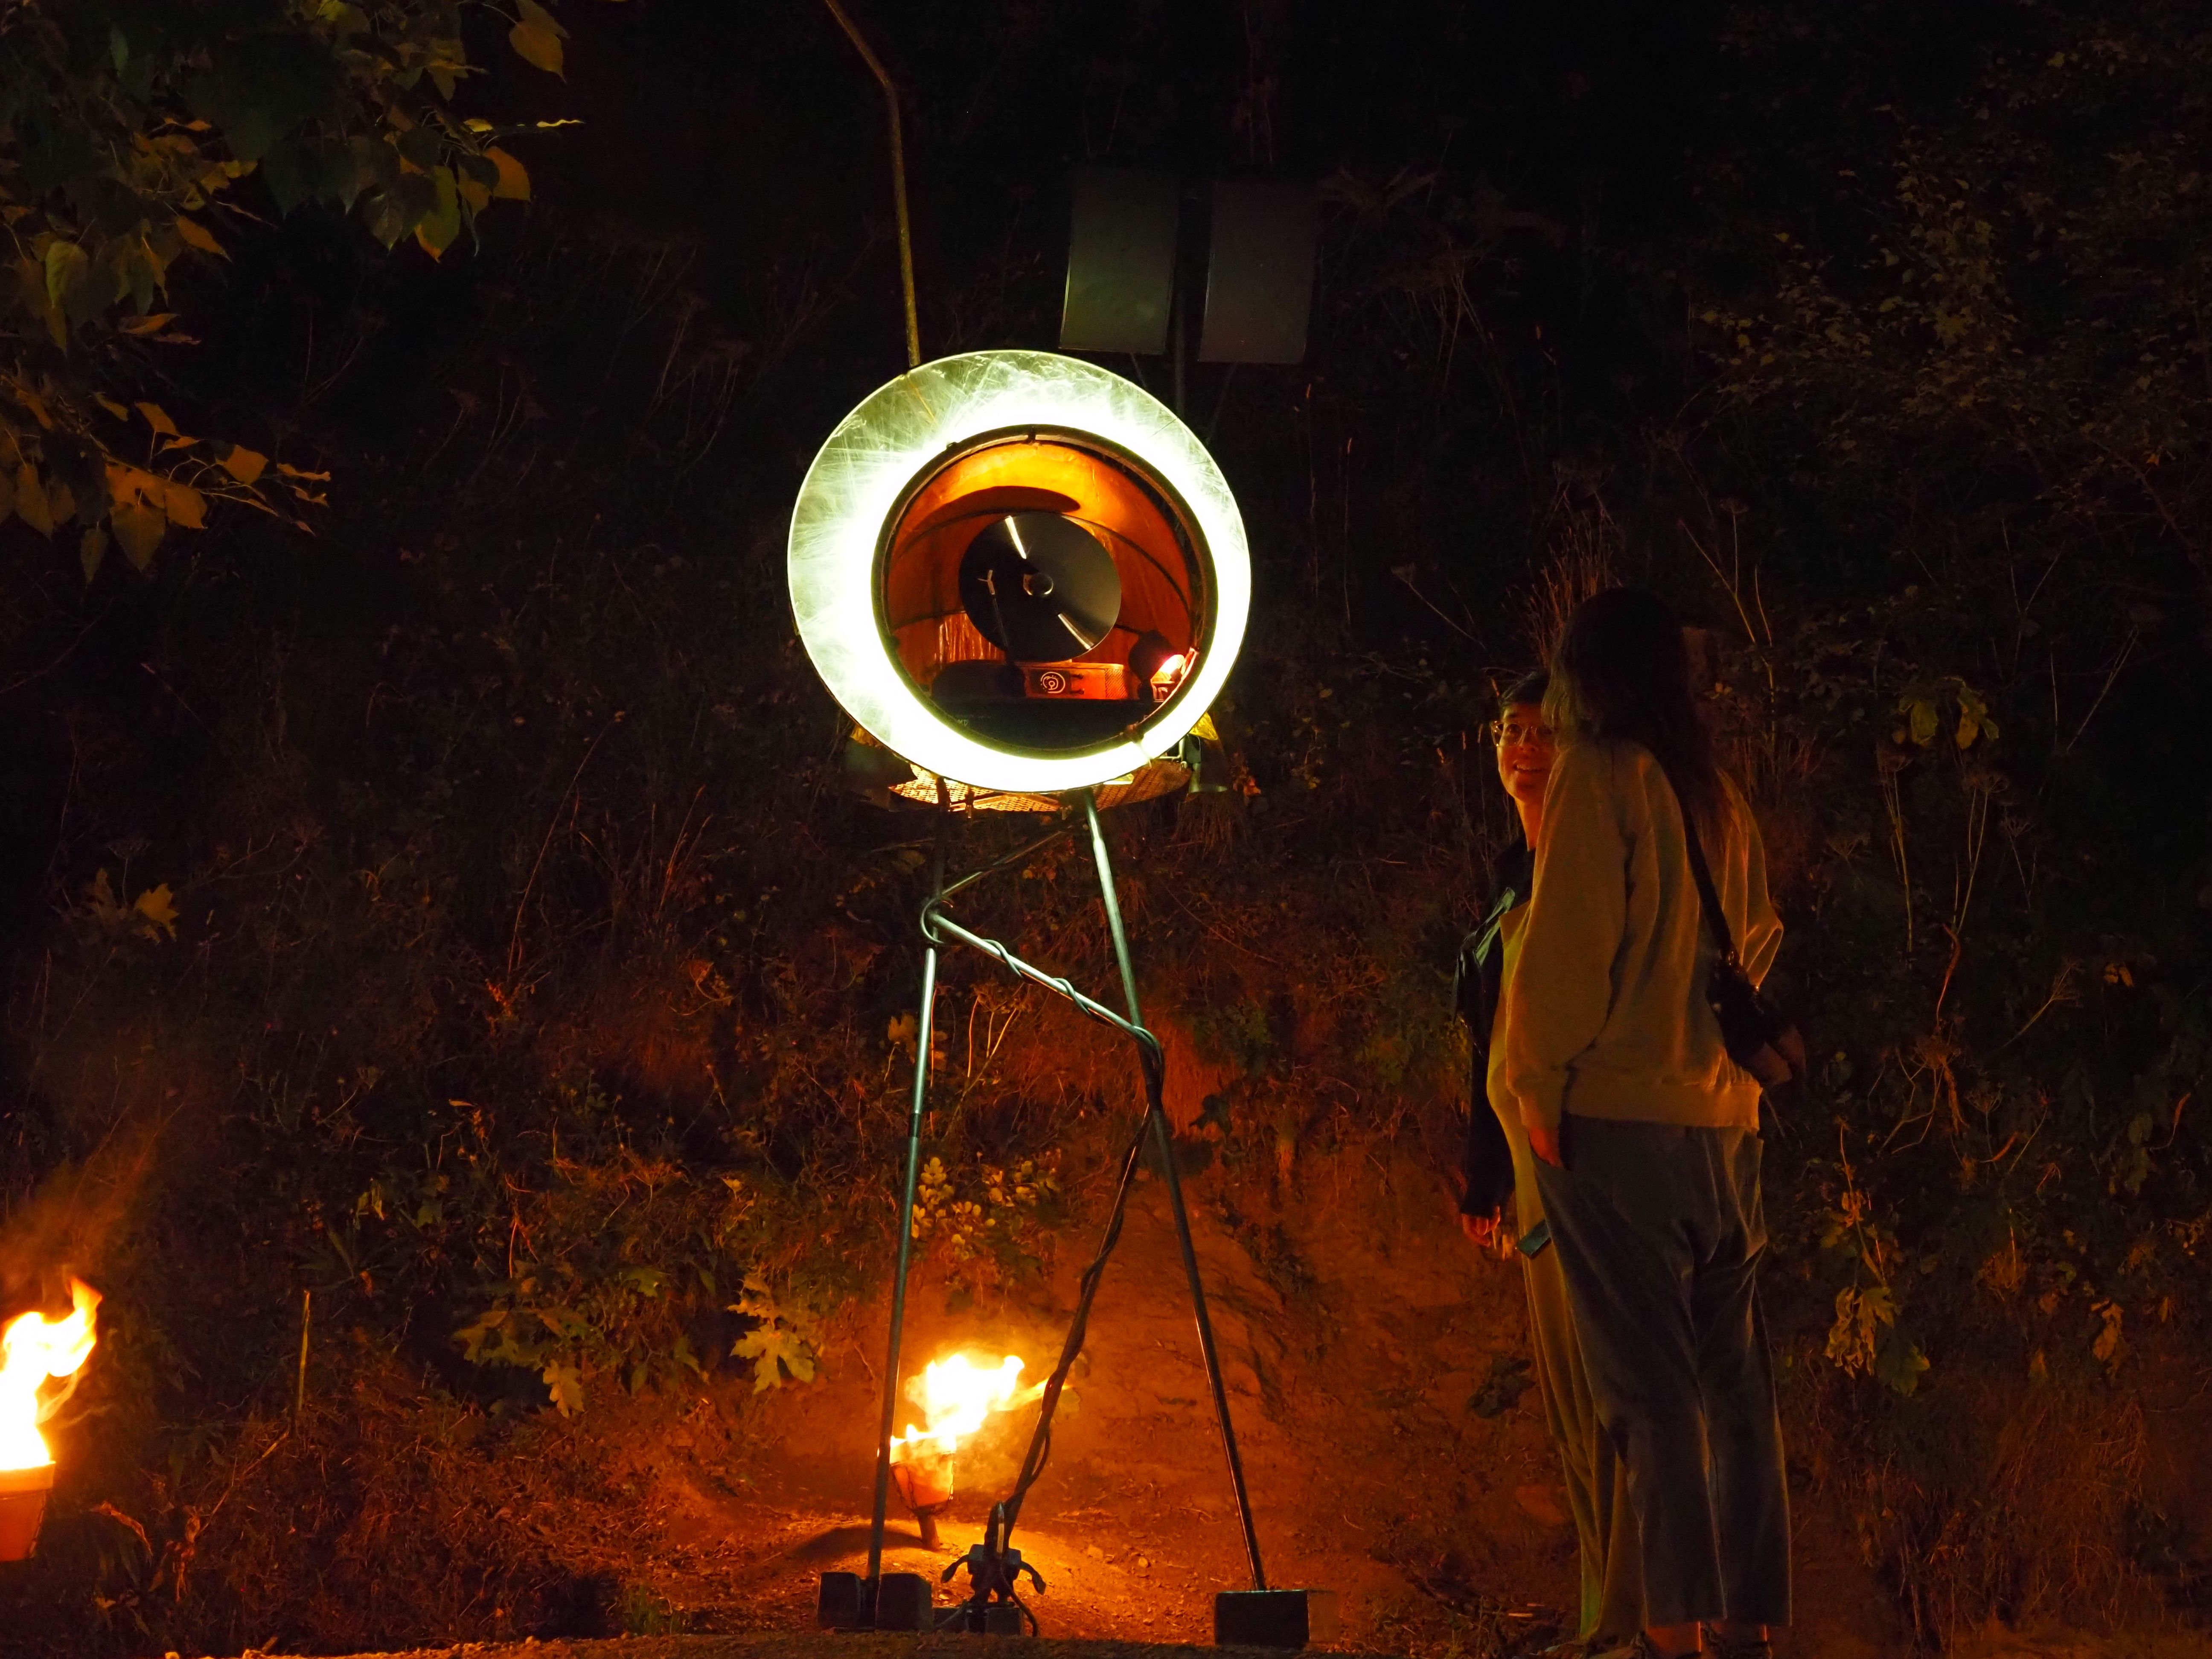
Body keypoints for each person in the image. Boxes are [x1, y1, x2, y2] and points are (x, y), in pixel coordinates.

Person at [1501, 589, 1790, 1659]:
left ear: (1585, 675)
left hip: (1617, 1121)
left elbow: (1568, 952)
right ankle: (1749, 1630)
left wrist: (1536, 1089)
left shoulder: (1602, 774)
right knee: (1736, 1387)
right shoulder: (1717, 795)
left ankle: (1673, 1634)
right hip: (1725, 1125)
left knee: (1650, 1393)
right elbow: (1756, 940)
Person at [1454, 670, 1643, 1650]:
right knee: (1570, 1413)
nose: (1520, 748)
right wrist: (1482, 1181)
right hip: (1523, 1173)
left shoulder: (1588, 875)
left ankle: (1632, 1623)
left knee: (1610, 1402)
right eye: (1507, 730)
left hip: (1578, 1163)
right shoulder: (1513, 876)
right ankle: (1598, 1617)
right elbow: (1493, 1037)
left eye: (1540, 732)